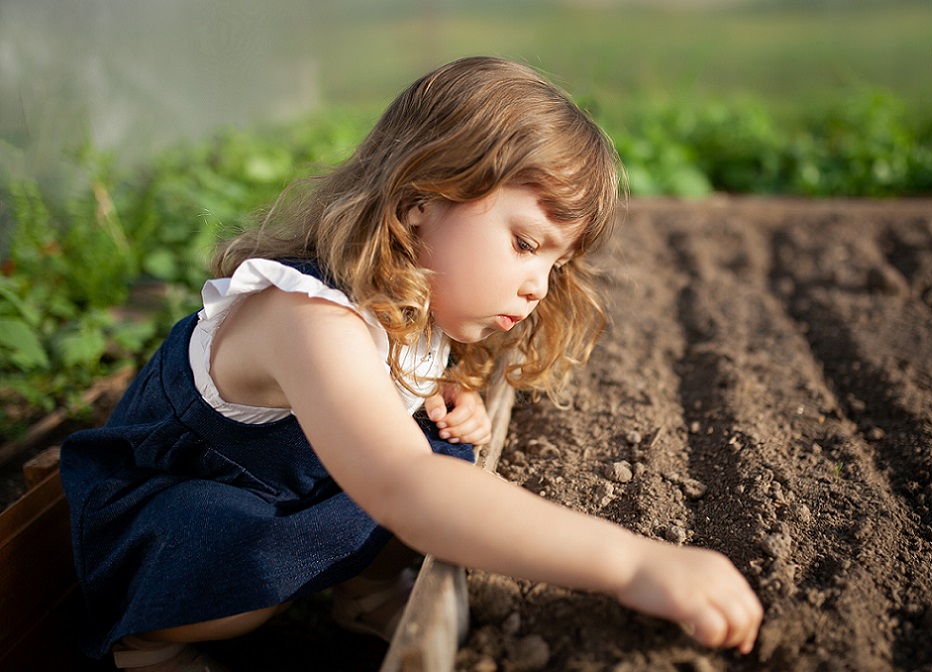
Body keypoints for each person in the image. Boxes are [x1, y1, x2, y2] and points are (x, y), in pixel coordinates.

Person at [60, 56, 762, 671]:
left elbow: (382, 405)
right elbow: (404, 488)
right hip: (160, 529)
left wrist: (443, 389)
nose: (539, 286)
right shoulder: (309, 317)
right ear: (422, 199)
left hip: (270, 493)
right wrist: (632, 562)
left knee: (439, 447)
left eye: (557, 261)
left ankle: (361, 600)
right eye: (524, 243)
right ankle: (148, 645)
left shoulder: (411, 307)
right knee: (394, 493)